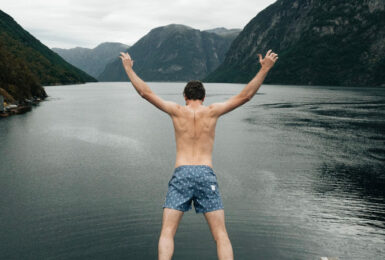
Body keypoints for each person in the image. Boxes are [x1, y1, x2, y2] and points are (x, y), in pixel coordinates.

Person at [120, 49, 278, 260]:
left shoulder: (176, 110)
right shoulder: (212, 111)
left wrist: (129, 69)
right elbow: (246, 96)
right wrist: (265, 68)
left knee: (167, 232)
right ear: (203, 97)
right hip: (205, 173)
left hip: (182, 174)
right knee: (221, 235)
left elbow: (145, 93)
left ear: (185, 97)